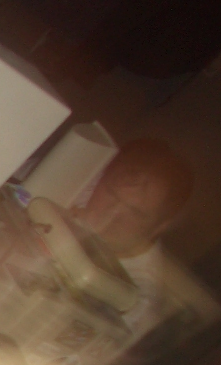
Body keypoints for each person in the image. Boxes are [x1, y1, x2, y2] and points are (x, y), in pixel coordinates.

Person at [72, 137, 193, 336]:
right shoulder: (89, 181)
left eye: (135, 213)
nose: (112, 214)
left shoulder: (138, 299)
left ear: (159, 227)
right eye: (111, 194)